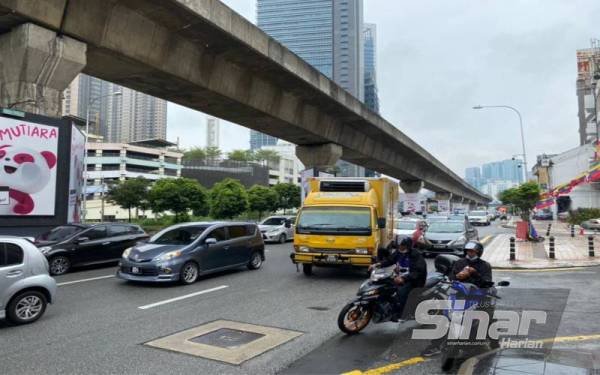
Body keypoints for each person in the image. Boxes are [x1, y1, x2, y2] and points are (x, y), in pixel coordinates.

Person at [421, 240, 493, 357]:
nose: (470, 253)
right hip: (459, 295)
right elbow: (451, 277)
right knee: (446, 318)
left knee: (476, 318)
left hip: (475, 296)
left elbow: (486, 283)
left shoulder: (485, 265)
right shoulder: (460, 263)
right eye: (468, 251)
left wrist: (474, 273)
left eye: (472, 251)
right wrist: (458, 276)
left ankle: (475, 342)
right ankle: (435, 345)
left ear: (478, 252)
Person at [369, 236, 427, 322]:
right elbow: (389, 260)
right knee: (385, 287)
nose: (400, 247)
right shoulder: (399, 252)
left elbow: (418, 272)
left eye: (402, 246)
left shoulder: (415, 255)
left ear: (407, 246)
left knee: (401, 292)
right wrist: (377, 265)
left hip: (414, 280)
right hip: (400, 277)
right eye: (399, 246)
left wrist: (404, 278)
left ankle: (402, 314)